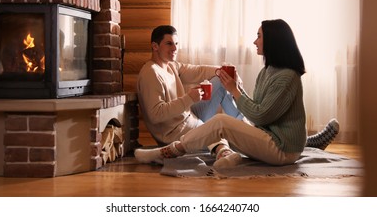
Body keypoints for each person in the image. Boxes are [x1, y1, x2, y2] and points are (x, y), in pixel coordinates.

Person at [135, 19, 340, 169]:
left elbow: (259, 114)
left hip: (281, 145)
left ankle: (169, 153)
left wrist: (226, 79)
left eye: (259, 36)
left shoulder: (285, 77)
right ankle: (304, 142)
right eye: (170, 44)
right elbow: (258, 112)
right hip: (178, 129)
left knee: (221, 124)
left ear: (273, 42)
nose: (254, 41)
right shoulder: (268, 72)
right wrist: (232, 92)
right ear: (155, 46)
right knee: (221, 125)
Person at [137, 25, 244, 151]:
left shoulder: (171, 65)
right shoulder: (151, 73)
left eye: (176, 43)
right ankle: (243, 136)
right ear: (155, 46)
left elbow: (198, 71)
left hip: (189, 118)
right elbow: (155, 115)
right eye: (169, 43)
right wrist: (189, 98)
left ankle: (244, 127)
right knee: (223, 135)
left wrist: (225, 73)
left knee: (220, 81)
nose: (175, 48)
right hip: (175, 133)